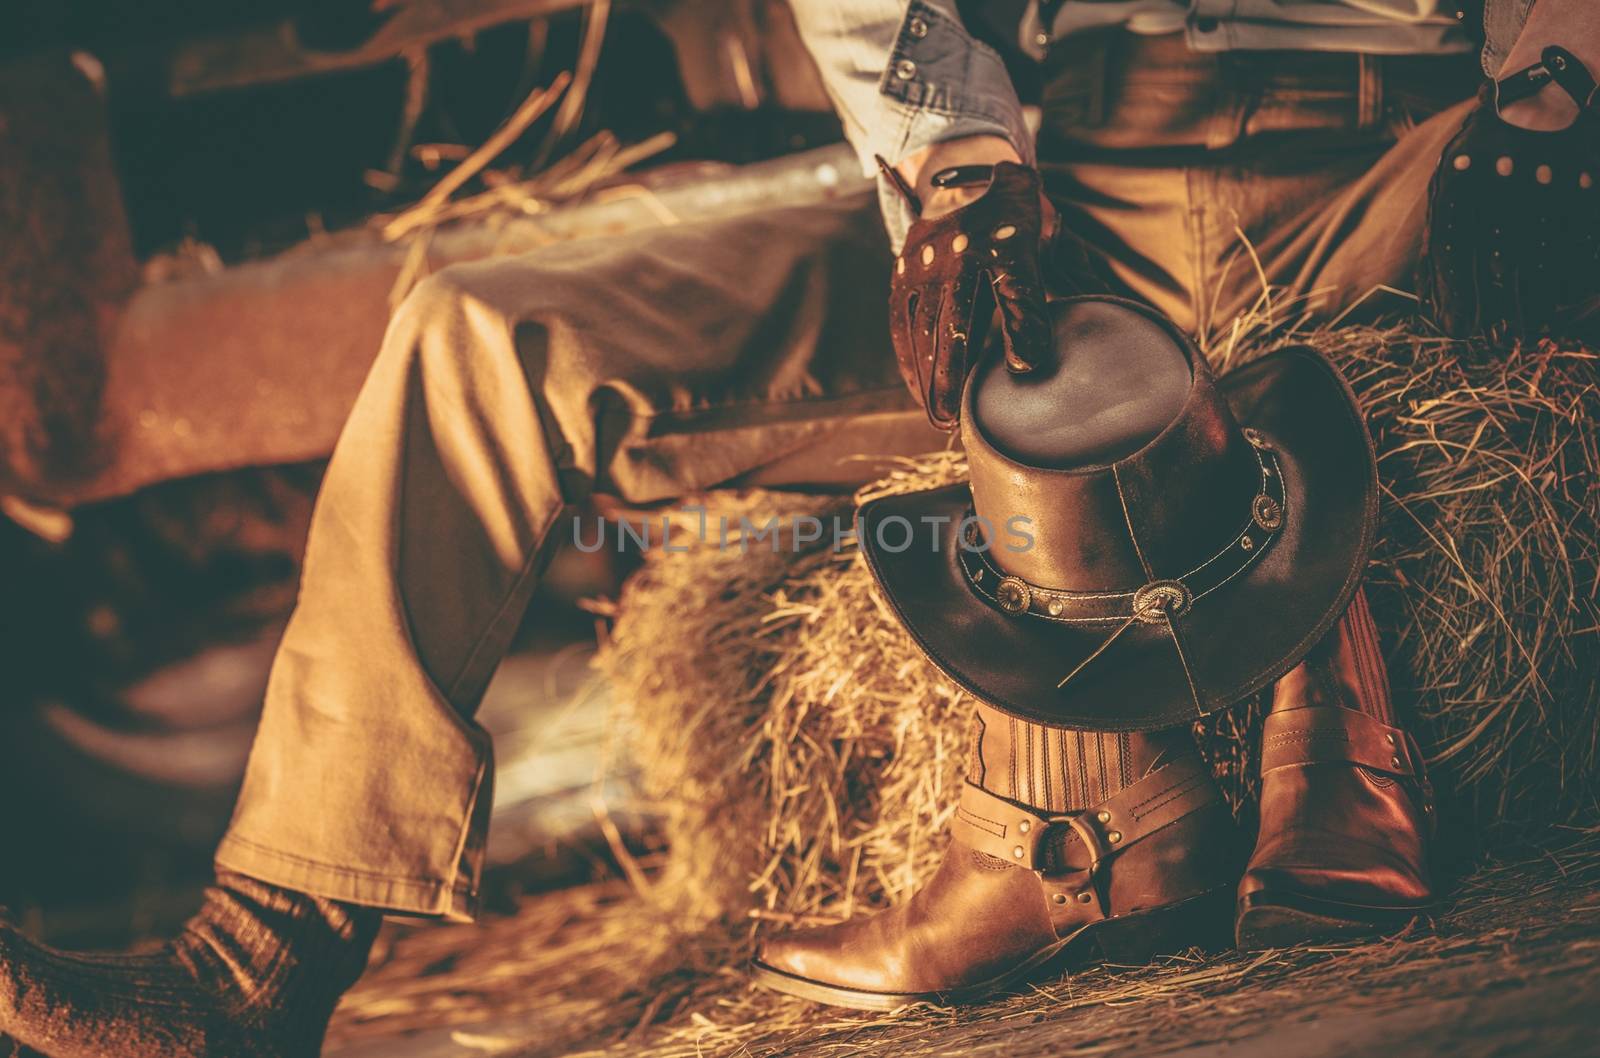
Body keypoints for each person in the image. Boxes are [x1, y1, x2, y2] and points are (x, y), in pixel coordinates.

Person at [0, 0, 1594, 1053]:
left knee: (1344, 350)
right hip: (1037, 165)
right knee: (473, 330)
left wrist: (1561, 77)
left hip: (1373, 145)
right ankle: (262, 949)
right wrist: (955, 160)